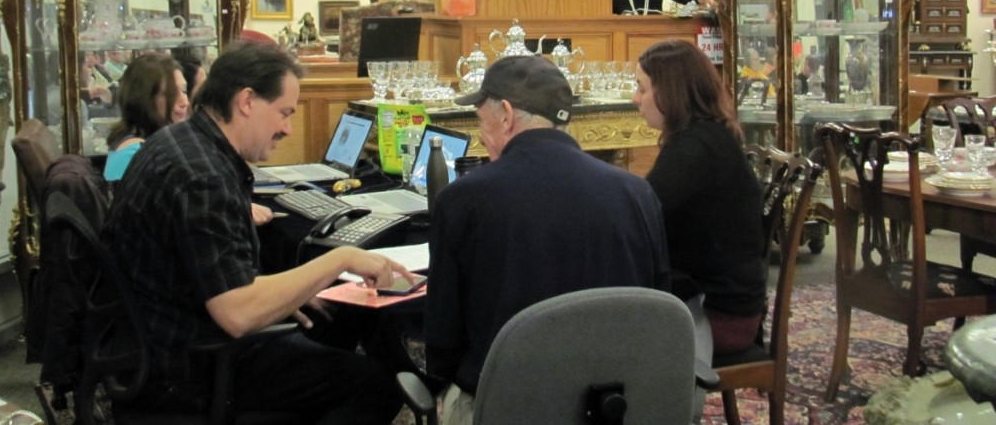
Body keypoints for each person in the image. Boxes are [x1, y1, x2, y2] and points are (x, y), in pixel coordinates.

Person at [103, 41, 410, 422]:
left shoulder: (180, 143)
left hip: (160, 340)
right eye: (283, 113)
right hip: (187, 369)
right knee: (375, 383)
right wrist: (341, 258)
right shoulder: (203, 176)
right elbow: (237, 313)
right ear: (247, 100)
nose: (287, 128)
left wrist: (295, 287)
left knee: (334, 317)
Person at [426, 55, 671, 423]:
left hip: (506, 404)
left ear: (506, 114)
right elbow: (656, 306)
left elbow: (442, 345)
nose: (481, 135)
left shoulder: (462, 199)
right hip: (615, 404)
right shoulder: (636, 192)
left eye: (481, 121)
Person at [633, 39, 765, 357]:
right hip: (725, 301)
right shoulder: (707, 136)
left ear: (670, 92)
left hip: (717, 317)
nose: (635, 99)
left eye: (642, 88)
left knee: (596, 322)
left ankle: (652, 405)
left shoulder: (695, 148)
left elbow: (641, 217)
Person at [103, 53, 190, 182]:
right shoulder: (135, 152)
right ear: (144, 99)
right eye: (170, 94)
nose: (185, 102)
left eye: (184, 91)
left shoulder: (146, 142)